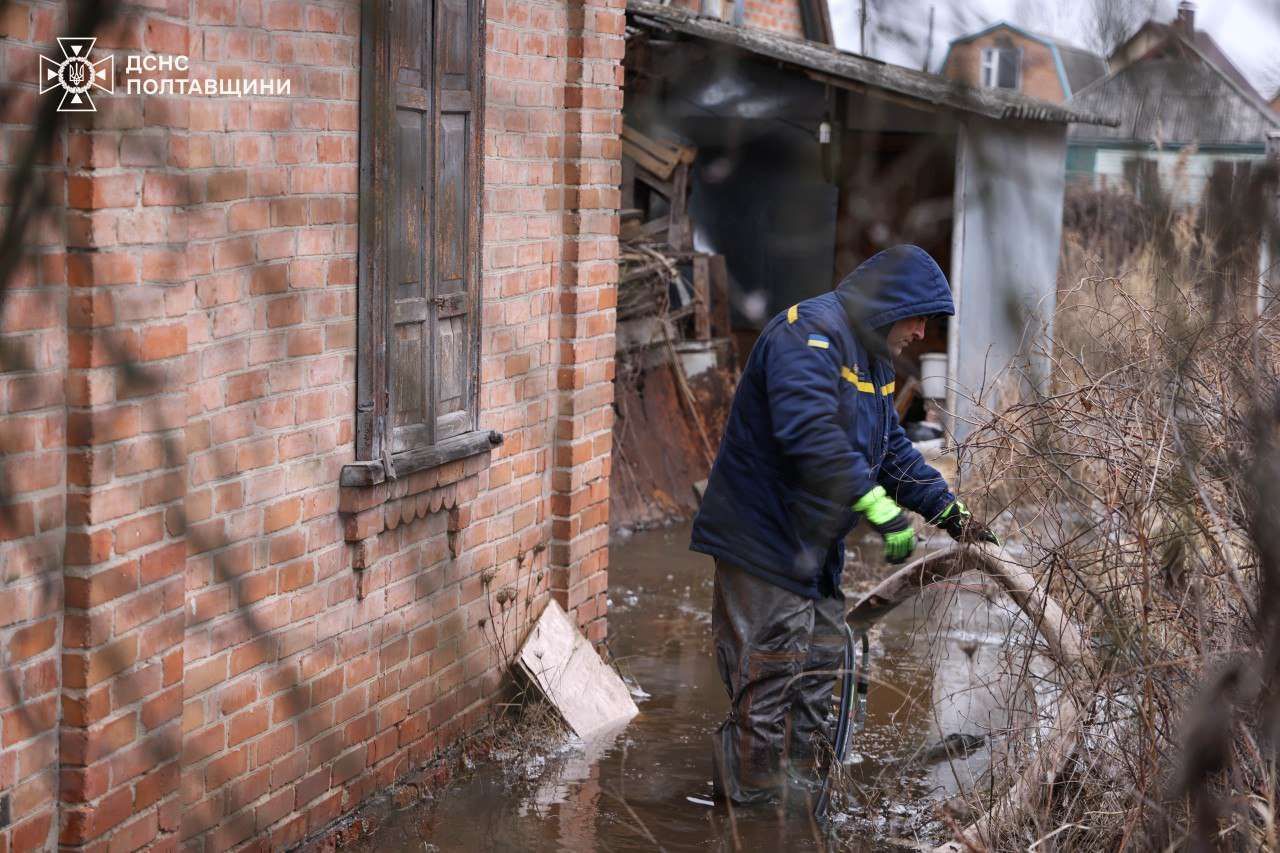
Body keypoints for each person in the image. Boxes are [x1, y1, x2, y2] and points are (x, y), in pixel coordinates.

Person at [690, 244, 997, 806]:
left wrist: (945, 509)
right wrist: (877, 507)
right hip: (763, 542)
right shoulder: (807, 335)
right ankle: (749, 824)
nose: (924, 332)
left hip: (814, 549)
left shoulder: (874, 357)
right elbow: (808, 432)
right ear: (892, 306)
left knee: (819, 676)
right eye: (920, 316)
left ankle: (802, 809)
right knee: (769, 687)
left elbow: (891, 451)